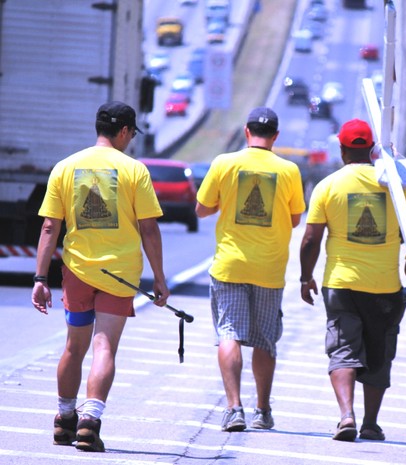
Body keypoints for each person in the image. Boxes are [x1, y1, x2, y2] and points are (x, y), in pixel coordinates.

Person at [31, 101, 170, 453]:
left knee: (73, 347)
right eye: (130, 134)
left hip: (77, 271)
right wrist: (159, 277)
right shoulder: (135, 170)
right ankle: (89, 422)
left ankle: (64, 420)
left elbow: (50, 226)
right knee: (104, 346)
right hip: (119, 276)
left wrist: (40, 278)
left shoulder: (65, 167)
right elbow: (149, 228)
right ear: (123, 131)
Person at [299, 119, 406, 442]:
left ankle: (346, 415)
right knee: (379, 353)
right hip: (385, 287)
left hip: (341, 285)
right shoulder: (394, 185)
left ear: (342, 150)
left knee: (342, 350)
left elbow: (310, 239)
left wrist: (305, 277)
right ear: (371, 149)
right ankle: (370, 423)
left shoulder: (328, 186)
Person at [195, 106, 306, 432]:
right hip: (269, 269)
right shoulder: (289, 170)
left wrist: (225, 201)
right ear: (276, 136)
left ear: (246, 131)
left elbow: (201, 209)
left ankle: (234, 408)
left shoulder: (223, 163)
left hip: (230, 265)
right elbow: (295, 217)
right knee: (264, 341)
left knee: (229, 332)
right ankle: (263, 409)